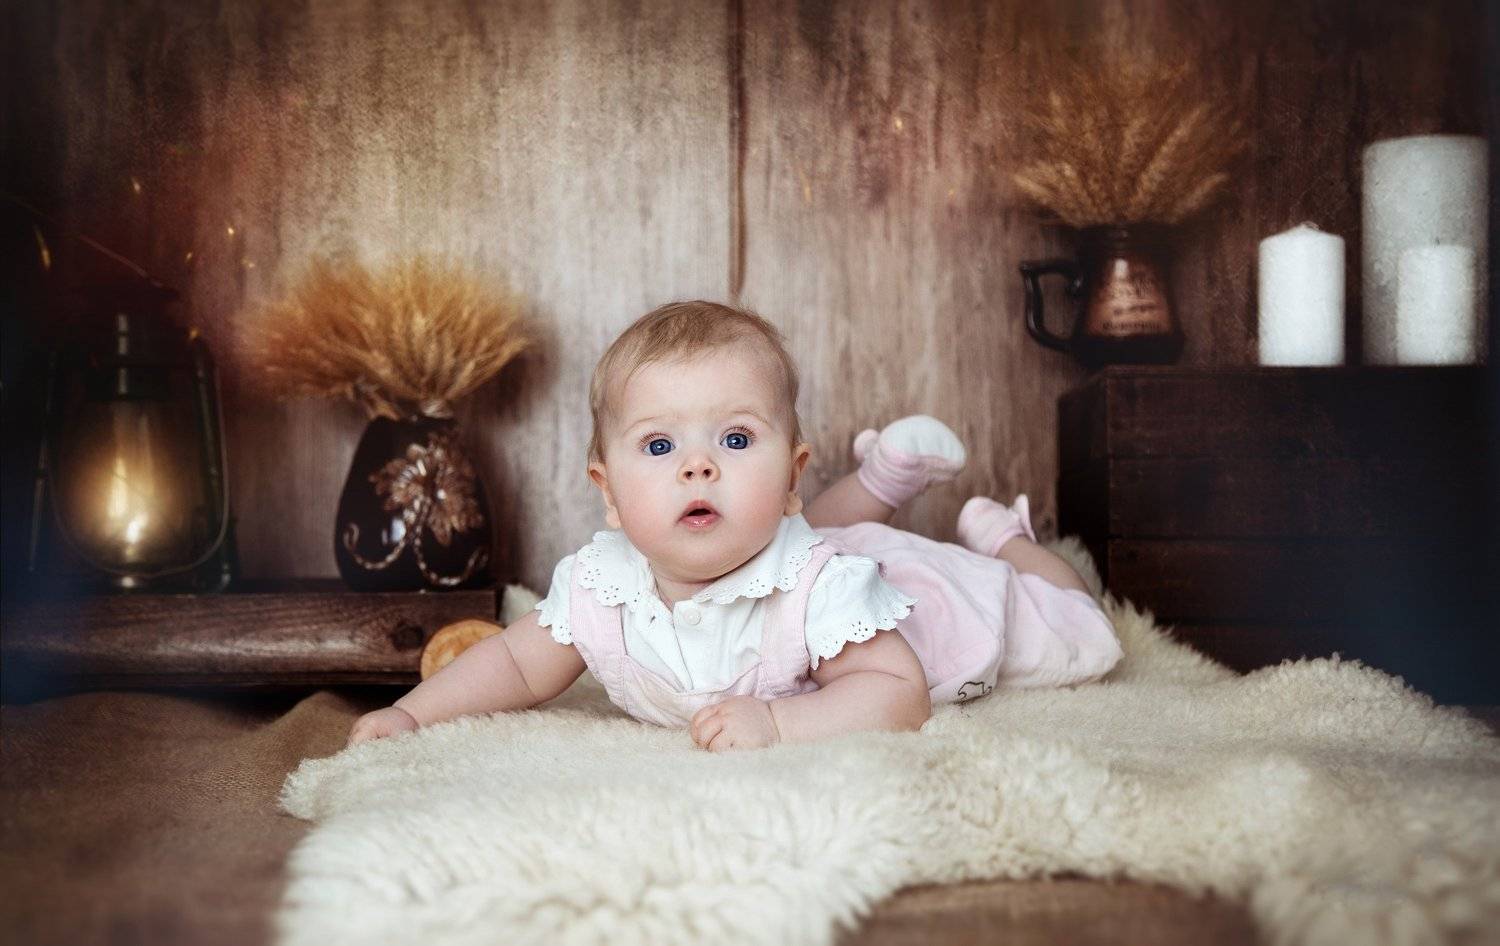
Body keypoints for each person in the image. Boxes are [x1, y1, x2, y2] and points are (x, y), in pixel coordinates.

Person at [348, 301, 1122, 752]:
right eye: (659, 446)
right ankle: (891, 485)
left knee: (1080, 631)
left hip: (945, 603)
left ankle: (1009, 541)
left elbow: (898, 693)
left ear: (791, 475)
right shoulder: (601, 586)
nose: (698, 466)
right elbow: (515, 666)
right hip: (818, 537)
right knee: (819, 531)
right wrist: (412, 714)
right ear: (609, 494)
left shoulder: (823, 589)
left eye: (736, 438)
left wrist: (778, 722)